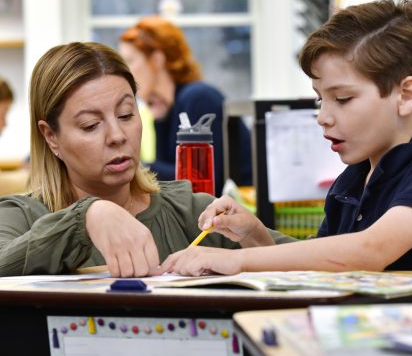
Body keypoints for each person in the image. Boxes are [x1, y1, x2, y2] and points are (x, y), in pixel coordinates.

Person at [159, 0, 412, 276]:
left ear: (407, 95)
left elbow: (370, 251)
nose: (323, 117)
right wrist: (254, 234)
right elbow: (317, 268)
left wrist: (240, 259)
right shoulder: (350, 182)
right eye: (320, 100)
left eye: (343, 98)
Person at [0, 42, 293, 277]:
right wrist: (86, 216)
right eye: (91, 125)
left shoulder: (194, 213)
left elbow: (321, 269)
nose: (117, 136)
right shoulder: (21, 217)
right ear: (51, 136)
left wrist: (256, 239)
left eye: (127, 115)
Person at [119, 16, 252, 196]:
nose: (125, 72)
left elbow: (198, 183)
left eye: (130, 61)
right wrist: (160, 118)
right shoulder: (165, 108)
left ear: (157, 60)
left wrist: (136, 165)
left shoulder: (198, 97)